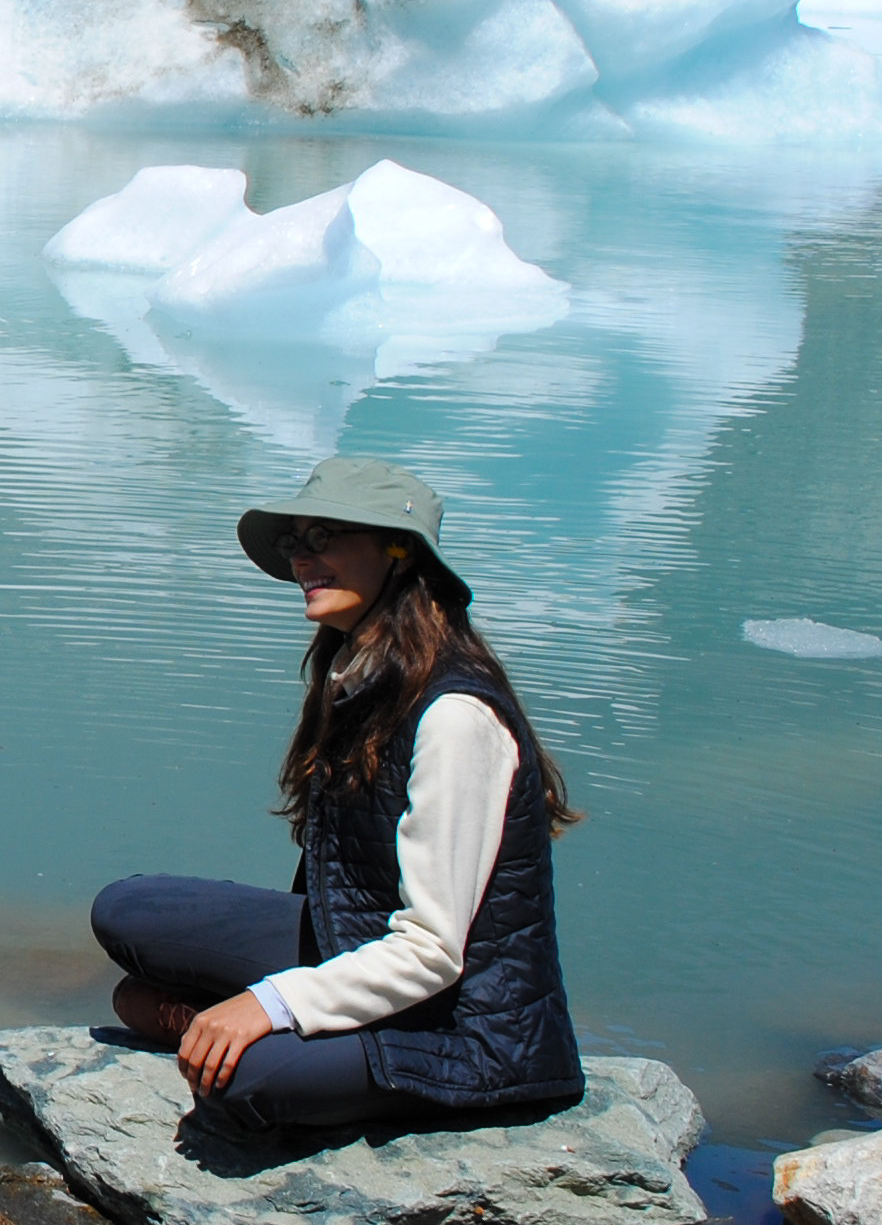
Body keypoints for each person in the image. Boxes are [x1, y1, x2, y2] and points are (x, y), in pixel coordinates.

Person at [92, 456, 583, 1136]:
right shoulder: (365, 675)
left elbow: (434, 953)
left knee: (243, 1086)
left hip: (465, 1028)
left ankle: (239, 1036)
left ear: (398, 553)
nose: (302, 559)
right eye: (297, 541)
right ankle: (238, 1025)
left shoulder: (456, 715)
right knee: (126, 910)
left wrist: (269, 1002)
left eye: (324, 537)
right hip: (351, 944)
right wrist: (271, 1002)